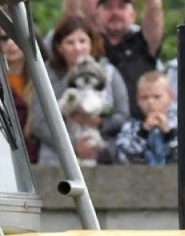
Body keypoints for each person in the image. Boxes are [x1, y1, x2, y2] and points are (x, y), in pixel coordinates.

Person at [61, 0, 165, 116]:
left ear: (133, 14)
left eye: (121, 6)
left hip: (139, 135)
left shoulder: (144, 41)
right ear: (97, 14)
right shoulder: (89, 44)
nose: (115, 12)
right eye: (108, 7)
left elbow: (154, 6)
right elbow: (71, 14)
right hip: (100, 133)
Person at [33, 16, 129, 165]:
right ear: (59, 47)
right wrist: (72, 145)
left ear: (91, 43)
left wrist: (99, 122)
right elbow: (39, 123)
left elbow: (122, 115)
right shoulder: (46, 75)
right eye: (70, 43)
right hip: (56, 159)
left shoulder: (108, 73)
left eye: (82, 41)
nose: (77, 48)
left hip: (101, 156)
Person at [111, 70, 178, 165]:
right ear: (137, 100)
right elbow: (122, 158)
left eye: (157, 97)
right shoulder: (130, 126)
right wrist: (143, 132)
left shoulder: (180, 125)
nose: (150, 102)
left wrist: (168, 134)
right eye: (144, 98)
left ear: (170, 97)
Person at [0, 27, 40, 163]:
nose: (10, 43)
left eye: (16, 38)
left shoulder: (41, 80)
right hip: (3, 151)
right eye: (4, 38)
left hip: (34, 155)